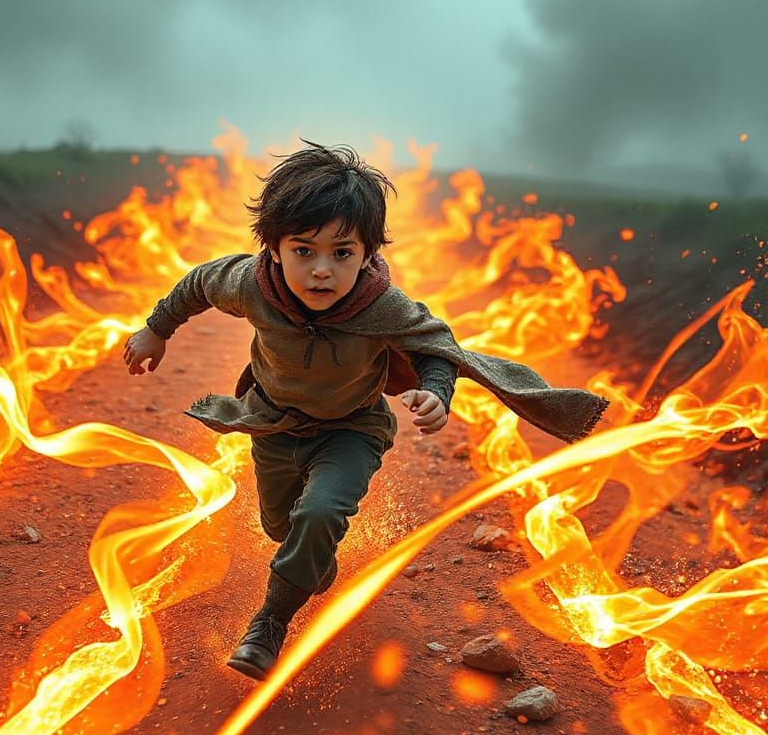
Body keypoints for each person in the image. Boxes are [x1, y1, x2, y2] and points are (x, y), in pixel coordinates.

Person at [123, 142, 607, 681]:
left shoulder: (382, 304)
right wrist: (156, 329)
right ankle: (310, 564)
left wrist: (436, 392)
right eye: (303, 251)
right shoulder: (249, 285)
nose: (322, 271)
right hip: (275, 423)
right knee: (282, 525)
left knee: (319, 514)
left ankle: (270, 623)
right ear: (274, 248)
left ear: (368, 252)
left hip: (351, 430)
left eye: (342, 253)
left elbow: (436, 348)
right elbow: (196, 286)